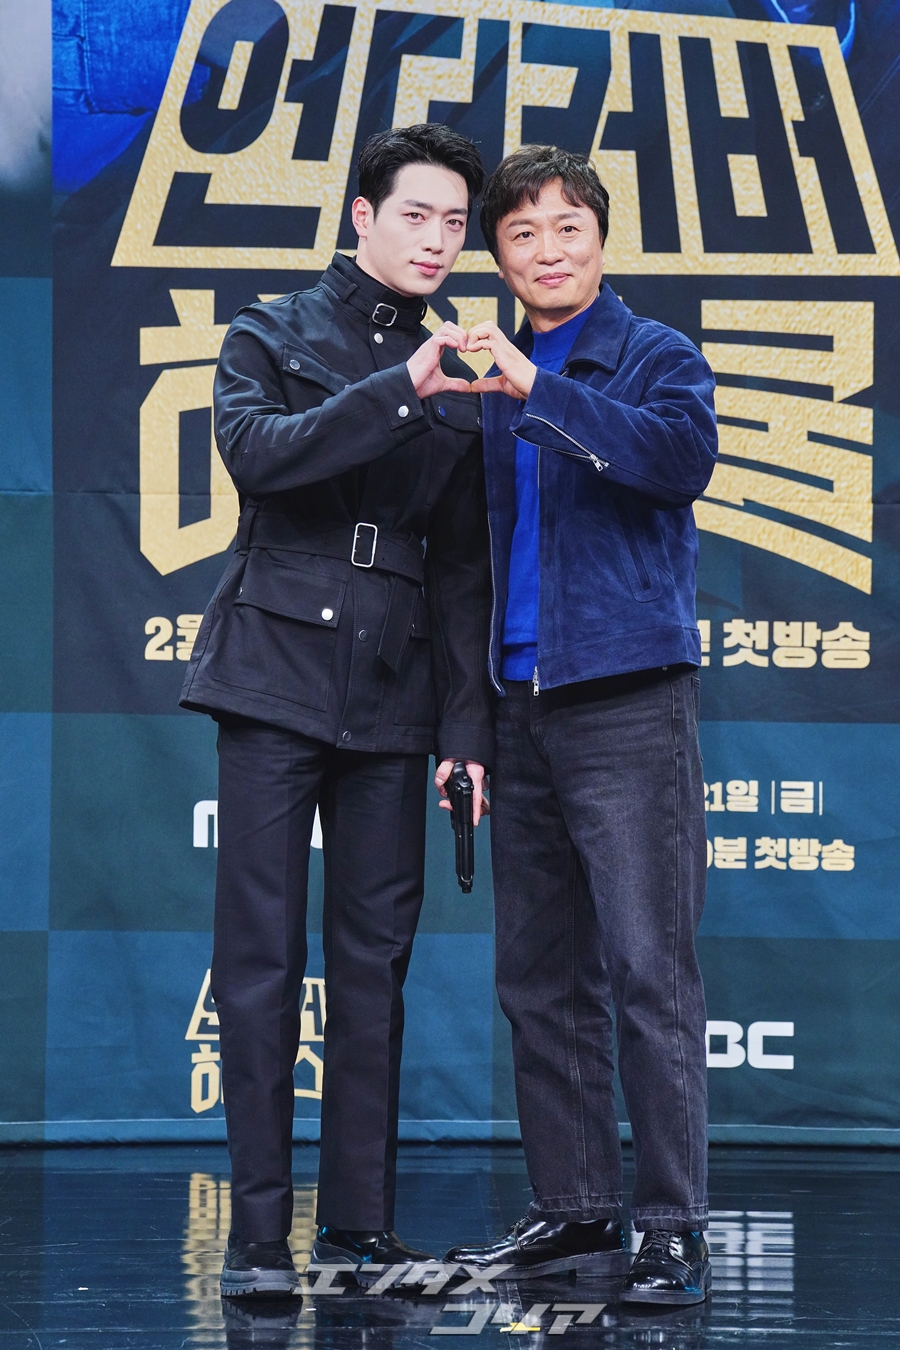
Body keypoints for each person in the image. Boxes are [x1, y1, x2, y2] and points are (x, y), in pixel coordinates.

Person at [180, 124, 493, 1297]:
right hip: (272, 673)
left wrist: (466, 732)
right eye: (416, 215)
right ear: (362, 216)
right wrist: (400, 389)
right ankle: (260, 1240)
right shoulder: (270, 332)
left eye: (454, 223)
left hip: (396, 693)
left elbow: (462, 571)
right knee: (258, 962)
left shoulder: (460, 371)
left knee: (375, 965)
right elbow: (261, 458)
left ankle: (358, 1229)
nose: (437, 240)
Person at [444, 145, 718, 1305]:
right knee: (537, 977)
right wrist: (466, 727)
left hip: (625, 697)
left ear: (602, 239)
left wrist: (537, 390)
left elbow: (678, 461)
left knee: (649, 971)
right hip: (516, 708)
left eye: (569, 227)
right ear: (497, 254)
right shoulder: (472, 377)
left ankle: (671, 1226)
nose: (548, 250)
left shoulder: (655, 356)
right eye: (523, 232)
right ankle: (573, 1206)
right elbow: (466, 566)